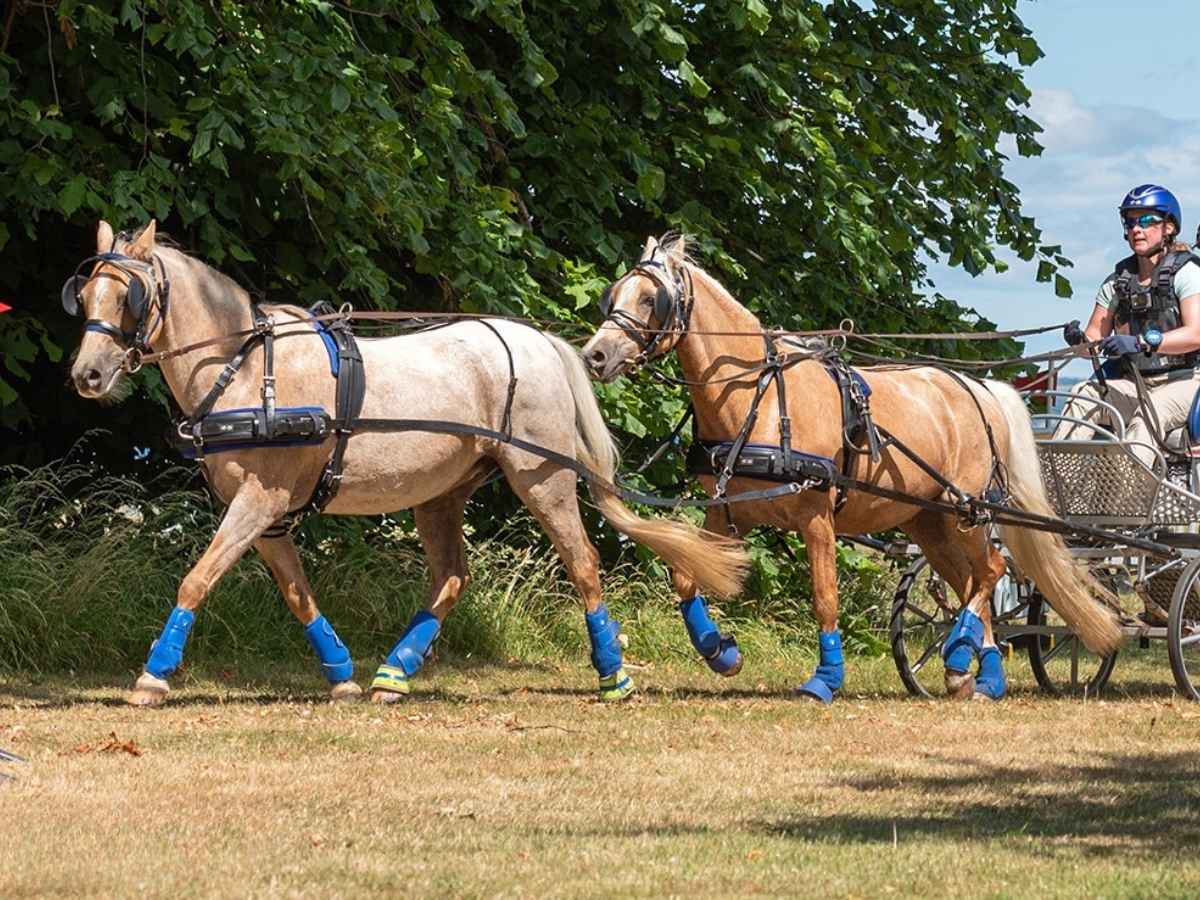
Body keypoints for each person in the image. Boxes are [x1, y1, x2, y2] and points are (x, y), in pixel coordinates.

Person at [1057, 184, 1200, 463]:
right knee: (1083, 394)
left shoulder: (1188, 273)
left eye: (1147, 220)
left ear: (1169, 227)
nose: (1137, 228)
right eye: (1131, 221)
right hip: (1135, 383)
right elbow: (1092, 342)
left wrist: (1141, 342)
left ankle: (1128, 501)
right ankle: (1057, 492)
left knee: (1150, 411)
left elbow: (1196, 334)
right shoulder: (1117, 282)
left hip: (1186, 382)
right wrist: (1079, 341)